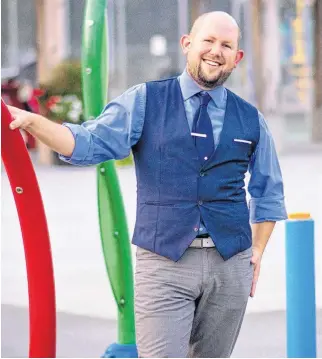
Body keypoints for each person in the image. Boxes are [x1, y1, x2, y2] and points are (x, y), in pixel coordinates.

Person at [8, 11, 287, 358]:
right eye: (209, 41)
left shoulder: (251, 118)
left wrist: (257, 251)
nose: (216, 51)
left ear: (237, 57)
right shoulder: (144, 100)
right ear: (187, 45)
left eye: (227, 45)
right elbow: (86, 143)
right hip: (164, 263)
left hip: (230, 264)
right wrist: (36, 123)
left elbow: (269, 192)